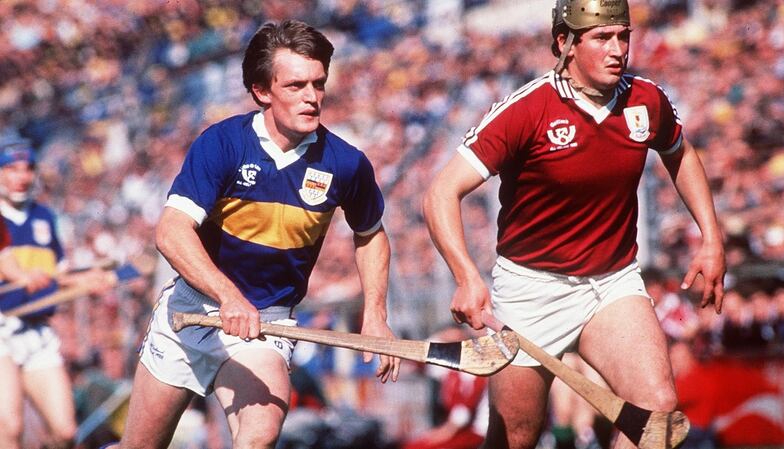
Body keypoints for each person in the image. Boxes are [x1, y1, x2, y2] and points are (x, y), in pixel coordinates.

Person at [422, 1, 726, 448]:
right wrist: (466, 276)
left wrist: (711, 239)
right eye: (602, 38)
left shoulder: (647, 100)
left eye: (623, 37)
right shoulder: (527, 109)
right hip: (530, 292)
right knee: (515, 437)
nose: (617, 49)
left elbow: (679, 153)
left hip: (612, 284)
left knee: (657, 412)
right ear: (564, 43)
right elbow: (440, 193)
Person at [112, 19, 399, 449]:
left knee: (258, 437)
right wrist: (228, 296)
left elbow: (371, 234)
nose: (312, 97)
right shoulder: (223, 144)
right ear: (262, 92)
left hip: (266, 325)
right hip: (190, 312)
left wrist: (375, 312)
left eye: (318, 84)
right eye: (296, 85)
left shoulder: (346, 163)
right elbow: (171, 232)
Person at [0, 136, 114, 449]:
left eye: (27, 169)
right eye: (12, 169)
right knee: (9, 428)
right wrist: (23, 277)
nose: (21, 177)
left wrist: (88, 281)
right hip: (2, 328)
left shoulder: (43, 217)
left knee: (65, 431)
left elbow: (57, 275)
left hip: (37, 332)